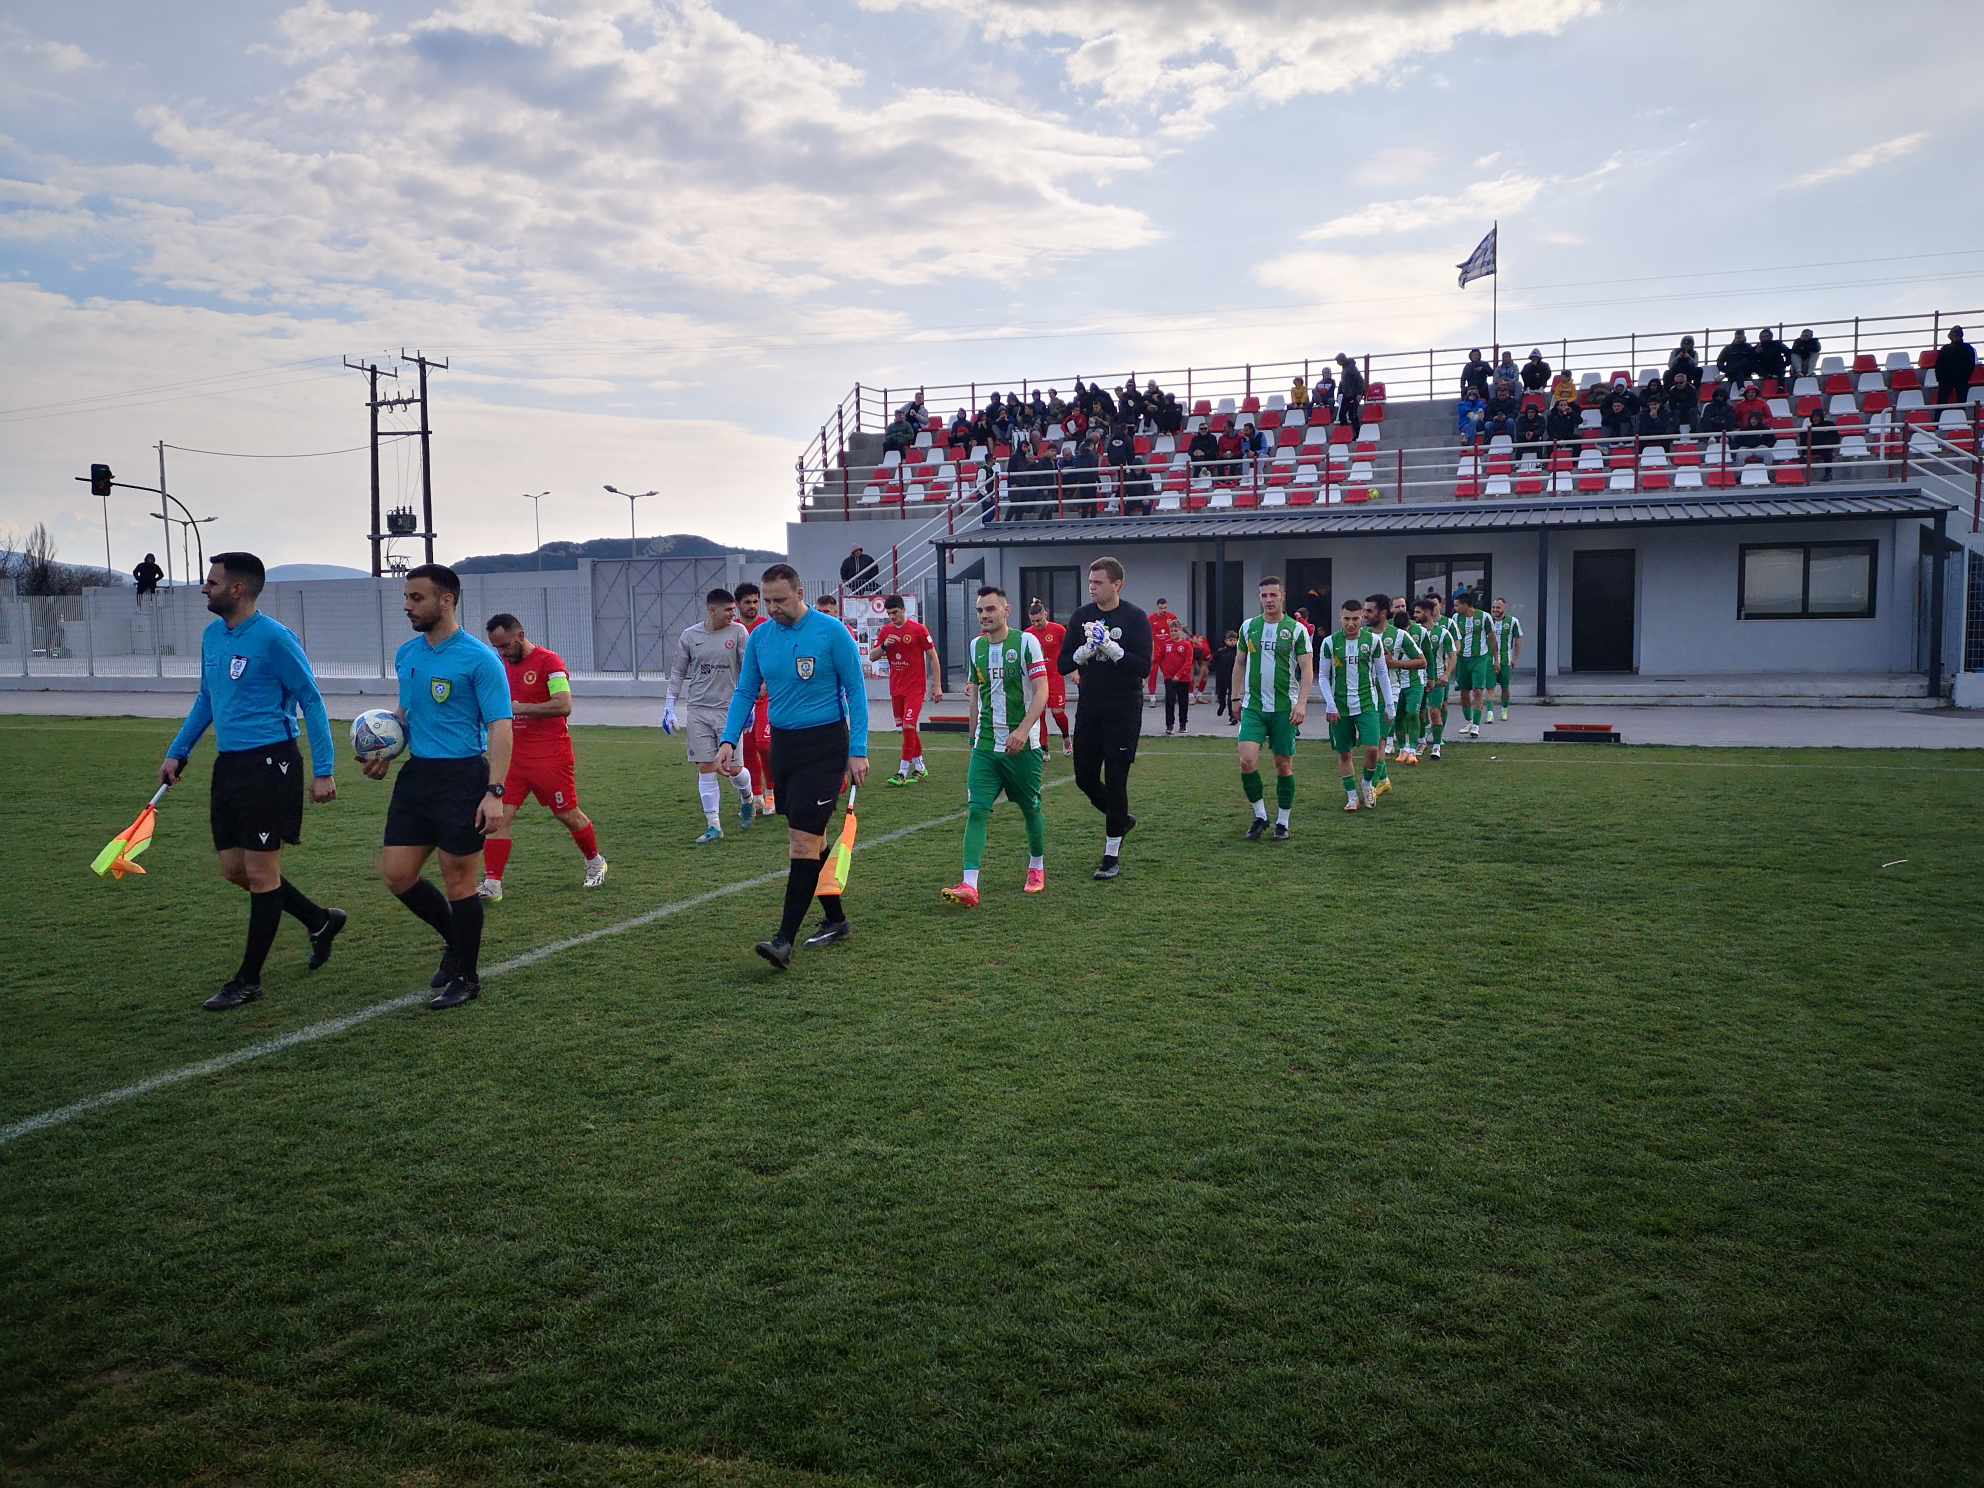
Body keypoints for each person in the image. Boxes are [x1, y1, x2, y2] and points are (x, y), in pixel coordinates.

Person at [160, 551, 342, 1012]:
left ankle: (248, 980)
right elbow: (207, 698)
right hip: (230, 765)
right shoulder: (212, 636)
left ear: (237, 589)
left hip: (270, 763)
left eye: (212, 582)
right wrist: (179, 750)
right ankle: (319, 920)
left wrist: (324, 769)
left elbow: (311, 699)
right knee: (235, 870)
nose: (205, 588)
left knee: (261, 874)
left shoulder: (275, 639)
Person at [367, 563, 513, 1013]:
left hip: (463, 777)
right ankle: (456, 941)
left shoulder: (479, 658)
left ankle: (466, 978)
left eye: (416, 598)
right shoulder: (407, 655)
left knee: (459, 880)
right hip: (417, 776)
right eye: (406, 597)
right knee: (397, 875)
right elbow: (406, 714)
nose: (407, 606)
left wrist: (494, 792)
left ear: (446, 600)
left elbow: (501, 726)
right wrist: (386, 749)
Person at [716, 565, 869, 971]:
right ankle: (836, 920)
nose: (772, 608)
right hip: (785, 747)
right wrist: (729, 739)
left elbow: (856, 691)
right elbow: (746, 690)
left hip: (825, 746)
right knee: (812, 839)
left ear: (800, 593)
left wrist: (858, 750)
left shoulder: (832, 633)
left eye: (780, 600)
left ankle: (784, 940)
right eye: (768, 601)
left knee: (802, 842)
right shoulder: (761, 638)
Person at [480, 612, 608, 895]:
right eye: (496, 647)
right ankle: (492, 883)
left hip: (551, 756)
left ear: (520, 636)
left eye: (505, 645)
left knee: (567, 814)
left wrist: (519, 708)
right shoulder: (500, 665)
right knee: (500, 816)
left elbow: (563, 705)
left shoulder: (550, 662)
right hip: (513, 758)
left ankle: (595, 862)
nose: (502, 652)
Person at [941, 586, 1049, 907]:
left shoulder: (1026, 642)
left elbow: (1042, 691)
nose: (984, 615)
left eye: (990, 609)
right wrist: (972, 736)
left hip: (1023, 746)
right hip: (986, 745)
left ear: (1006, 610)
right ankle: (969, 884)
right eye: (980, 610)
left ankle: (1036, 866)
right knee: (976, 810)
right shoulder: (976, 646)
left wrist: (1023, 730)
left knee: (1030, 808)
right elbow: (976, 694)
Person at [1058, 557, 1151, 881]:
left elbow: (1143, 667)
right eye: (1090, 582)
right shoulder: (1081, 616)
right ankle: (1121, 818)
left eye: (1098, 582)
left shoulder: (1135, 617)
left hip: (1123, 709)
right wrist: (1085, 651)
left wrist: (1112, 648)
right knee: (1084, 777)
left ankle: (1111, 855)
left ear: (1117, 584)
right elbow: (1062, 664)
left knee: (1115, 778)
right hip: (1090, 708)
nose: (1092, 588)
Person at [663, 588, 755, 845]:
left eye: (734, 610)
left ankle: (747, 798)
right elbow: (678, 672)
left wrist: (750, 708)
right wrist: (669, 706)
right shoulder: (690, 636)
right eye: (728, 610)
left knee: (733, 769)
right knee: (706, 767)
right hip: (698, 710)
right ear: (712, 610)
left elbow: (749, 670)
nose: (733, 614)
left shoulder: (739, 632)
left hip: (729, 710)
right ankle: (713, 825)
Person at [1231, 576, 1312, 842]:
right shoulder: (1248, 627)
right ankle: (1260, 816)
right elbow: (1240, 663)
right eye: (1264, 595)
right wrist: (1235, 697)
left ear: (1282, 596)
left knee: (1283, 765)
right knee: (1246, 760)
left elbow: (1307, 669)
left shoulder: (1296, 630)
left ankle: (1283, 822)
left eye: (1273, 595)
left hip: (1283, 708)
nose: (1268, 600)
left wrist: (1301, 703)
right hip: (1253, 706)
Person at [1317, 598, 1392, 812]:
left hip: (1367, 704)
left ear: (1362, 618)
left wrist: (1389, 705)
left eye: (1355, 619)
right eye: (1347, 619)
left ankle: (1367, 784)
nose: (1351, 623)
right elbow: (1323, 676)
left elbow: (1382, 673)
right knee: (1344, 753)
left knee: (1372, 749)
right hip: (1340, 707)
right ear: (1340, 618)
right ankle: (1351, 796)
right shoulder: (1330, 643)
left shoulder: (1373, 641)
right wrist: (1330, 704)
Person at [871, 594, 941, 785]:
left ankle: (902, 772)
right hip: (896, 688)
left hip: (915, 688)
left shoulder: (918, 629)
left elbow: (933, 656)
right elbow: (872, 656)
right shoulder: (886, 631)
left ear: (903, 610)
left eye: (895, 612)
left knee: (909, 726)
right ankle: (920, 767)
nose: (892, 617)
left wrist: (937, 685)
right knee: (906, 729)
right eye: (889, 614)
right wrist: (884, 646)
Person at [1364, 593, 1422, 798]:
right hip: (1366, 694)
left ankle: (1376, 784)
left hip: (1390, 694)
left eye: (1369, 611)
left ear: (1382, 612)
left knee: (1378, 740)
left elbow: (1421, 661)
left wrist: (1395, 664)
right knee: (1371, 741)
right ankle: (1383, 779)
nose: (1364, 614)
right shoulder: (1362, 635)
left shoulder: (1400, 635)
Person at [733, 581, 774, 814]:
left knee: (764, 745)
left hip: (766, 696)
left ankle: (772, 793)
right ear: (737, 604)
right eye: (747, 602)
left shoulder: (767, 627)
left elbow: (775, 658)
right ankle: (756, 796)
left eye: (755, 601)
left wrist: (767, 682)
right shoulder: (733, 629)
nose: (752, 606)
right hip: (743, 697)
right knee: (747, 747)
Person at [1026, 597, 1073, 755]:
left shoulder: (1058, 630)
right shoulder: (1027, 634)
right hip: (1037, 679)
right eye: (1033, 621)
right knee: (1039, 714)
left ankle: (1066, 737)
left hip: (1055, 677)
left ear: (1045, 614)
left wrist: (1073, 670)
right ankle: (1044, 748)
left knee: (1057, 712)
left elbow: (1069, 650)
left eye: (1038, 620)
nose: (1036, 624)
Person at [1449, 589, 1496, 738]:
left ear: (1466, 605)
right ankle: (1469, 721)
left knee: (1477, 691)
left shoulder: (1484, 617)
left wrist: (1496, 659)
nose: (1455, 608)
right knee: (1464, 693)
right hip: (1462, 659)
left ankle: (1476, 725)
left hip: (1479, 658)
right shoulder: (1456, 618)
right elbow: (1453, 638)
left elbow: (1492, 638)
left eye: (1457, 605)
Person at [1396, 601, 1436, 766]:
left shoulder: (1421, 632)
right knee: (1397, 716)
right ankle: (1402, 749)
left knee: (1413, 712)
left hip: (1415, 680)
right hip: (1395, 681)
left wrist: (1431, 677)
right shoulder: (1389, 633)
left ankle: (1412, 749)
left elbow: (1429, 656)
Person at [1417, 596, 1455, 760]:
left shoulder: (1443, 632)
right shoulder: (1414, 631)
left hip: (1438, 678)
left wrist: (1447, 674)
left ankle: (1437, 746)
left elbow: (1453, 655)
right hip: (1418, 678)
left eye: (1418, 612)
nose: (1415, 615)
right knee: (1419, 713)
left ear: (1428, 613)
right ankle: (1421, 741)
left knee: (1434, 711)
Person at [1150, 616, 1195, 737]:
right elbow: (1158, 658)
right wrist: (1164, 671)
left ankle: (1183, 724)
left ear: (1180, 631)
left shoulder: (1186, 645)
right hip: (1169, 678)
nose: (1174, 633)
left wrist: (1179, 675)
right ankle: (1169, 726)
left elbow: (1188, 662)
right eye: (1172, 631)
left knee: (1183, 702)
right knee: (1169, 702)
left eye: (1176, 630)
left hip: (1183, 679)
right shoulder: (1166, 644)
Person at [1488, 597, 1523, 723]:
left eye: (1498, 607)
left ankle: (1504, 709)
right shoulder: (1487, 621)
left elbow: (1518, 641)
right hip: (1490, 660)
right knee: (1490, 687)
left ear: (1504, 608)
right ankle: (1490, 713)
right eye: (1493, 607)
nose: (1495, 610)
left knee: (1505, 687)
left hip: (1505, 660)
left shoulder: (1513, 621)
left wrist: (1514, 658)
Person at [1934, 326, 1976, 407]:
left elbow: (1939, 365)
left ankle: (1941, 414)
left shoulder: (1946, 348)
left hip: (1955, 379)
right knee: (1945, 402)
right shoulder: (1967, 348)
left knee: (1957, 402)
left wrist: (1940, 378)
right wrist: (1940, 378)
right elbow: (1939, 365)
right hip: (1951, 379)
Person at [1804, 405, 1841, 482]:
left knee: (1827, 452)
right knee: (1803, 456)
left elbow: (1836, 438)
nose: (1815, 419)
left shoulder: (1829, 424)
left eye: (1817, 417)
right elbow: (1806, 441)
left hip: (1826, 448)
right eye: (1813, 417)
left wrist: (1828, 444)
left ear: (1821, 417)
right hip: (1814, 449)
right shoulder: (1810, 427)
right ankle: (1804, 478)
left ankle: (1828, 474)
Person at [1211, 628, 1239, 719]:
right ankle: (1222, 705)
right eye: (1230, 640)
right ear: (1226, 641)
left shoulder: (1238, 651)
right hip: (1222, 676)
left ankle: (1232, 715)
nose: (1232, 642)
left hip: (1233, 676)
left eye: (1234, 640)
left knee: (1231, 696)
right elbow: (1213, 661)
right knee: (1221, 694)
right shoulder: (1221, 651)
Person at [1335, 354, 1365, 436]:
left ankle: (1358, 434)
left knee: (1352, 415)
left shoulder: (1351, 367)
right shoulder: (1344, 368)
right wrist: (1339, 393)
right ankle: (1346, 433)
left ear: (1342, 360)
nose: (1337, 363)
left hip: (1354, 395)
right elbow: (1342, 383)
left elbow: (1360, 380)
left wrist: (1359, 393)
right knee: (1342, 415)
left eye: (1338, 361)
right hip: (1346, 395)